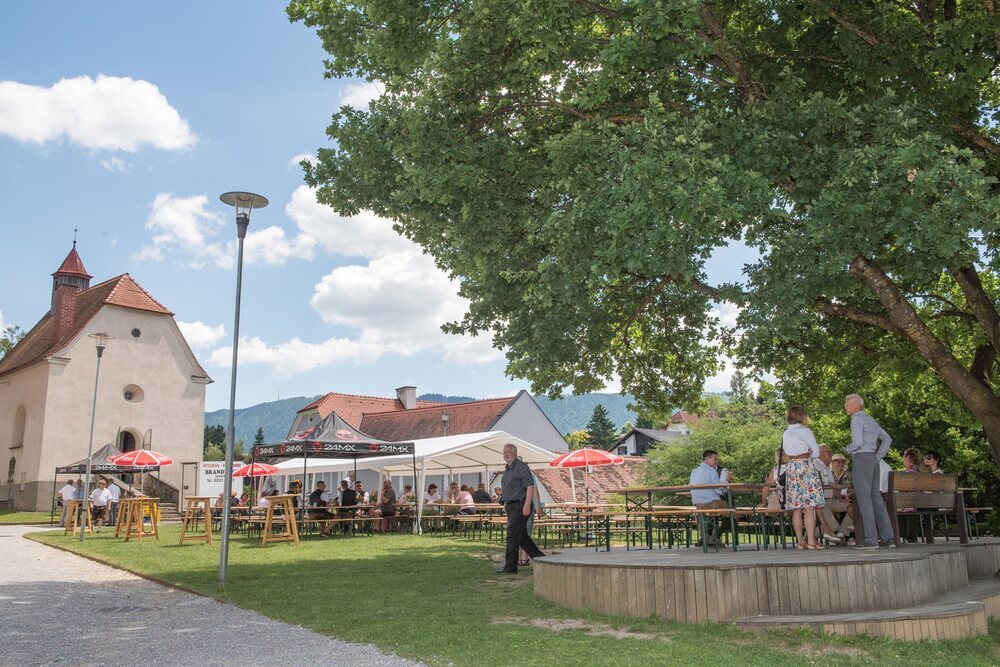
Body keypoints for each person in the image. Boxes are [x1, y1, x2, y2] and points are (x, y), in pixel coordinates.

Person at [844, 393, 895, 549]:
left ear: (855, 404)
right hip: (872, 459)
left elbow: (858, 442)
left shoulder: (856, 419)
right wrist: (878, 457)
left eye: (847, 404)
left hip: (861, 458)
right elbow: (887, 439)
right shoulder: (871, 420)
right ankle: (888, 538)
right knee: (876, 498)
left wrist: (847, 449)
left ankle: (871, 540)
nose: (845, 407)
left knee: (864, 499)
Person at [781, 406, 826, 550]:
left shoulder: (786, 433)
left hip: (792, 467)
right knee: (809, 506)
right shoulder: (805, 431)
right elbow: (817, 452)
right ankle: (811, 541)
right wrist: (808, 453)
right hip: (805, 467)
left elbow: (786, 452)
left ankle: (800, 541)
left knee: (796, 508)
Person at [497, 443, 545, 574]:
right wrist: (505, 502)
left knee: (512, 535)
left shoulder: (521, 467)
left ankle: (510, 567)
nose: (505, 454)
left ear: (515, 453)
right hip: (511, 506)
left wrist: (527, 505)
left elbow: (530, 486)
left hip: (521, 505)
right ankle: (542, 559)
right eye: (504, 452)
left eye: (508, 452)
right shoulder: (507, 469)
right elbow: (509, 489)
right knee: (522, 537)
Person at [689, 449, 727, 546]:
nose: (716, 462)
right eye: (714, 459)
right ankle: (715, 537)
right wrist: (726, 482)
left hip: (698, 504)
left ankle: (707, 538)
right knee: (735, 514)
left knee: (714, 513)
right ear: (707, 459)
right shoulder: (711, 471)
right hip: (711, 503)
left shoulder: (694, 471)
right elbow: (720, 490)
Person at [813, 445, 844, 543]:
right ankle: (810, 534)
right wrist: (833, 485)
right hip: (820, 503)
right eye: (828, 452)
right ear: (820, 454)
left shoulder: (827, 467)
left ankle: (842, 533)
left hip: (830, 500)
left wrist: (841, 499)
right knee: (834, 527)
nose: (831, 454)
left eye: (831, 452)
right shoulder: (814, 464)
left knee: (852, 507)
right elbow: (817, 484)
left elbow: (833, 486)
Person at [826, 453, 855, 540]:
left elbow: (848, 488)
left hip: (846, 498)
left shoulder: (848, 474)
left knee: (853, 507)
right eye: (837, 461)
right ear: (832, 463)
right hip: (830, 499)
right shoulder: (829, 474)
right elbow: (828, 486)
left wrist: (833, 485)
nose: (840, 463)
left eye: (842, 461)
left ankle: (841, 533)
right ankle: (838, 533)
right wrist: (837, 487)